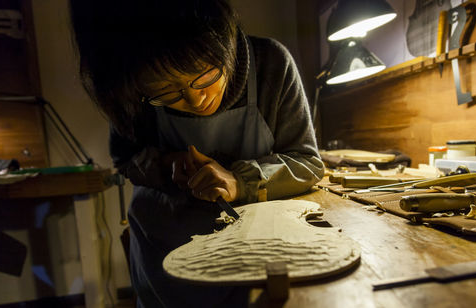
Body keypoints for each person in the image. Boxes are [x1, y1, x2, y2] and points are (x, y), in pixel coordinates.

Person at [69, 0, 324, 306]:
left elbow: (307, 162)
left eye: (203, 75)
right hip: (164, 247)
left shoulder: (270, 63)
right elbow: (125, 159)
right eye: (167, 92)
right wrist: (165, 164)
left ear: (223, 45)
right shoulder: (132, 83)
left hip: (253, 246)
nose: (195, 99)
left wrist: (238, 181)